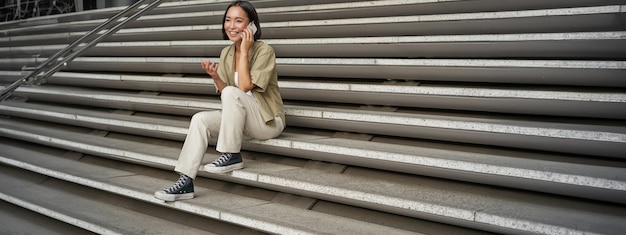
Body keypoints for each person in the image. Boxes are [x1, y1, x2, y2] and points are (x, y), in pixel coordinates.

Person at [155, 0, 285, 202]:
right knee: (200, 119)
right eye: (228, 20)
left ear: (252, 25)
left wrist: (244, 51)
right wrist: (216, 77)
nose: (231, 26)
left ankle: (232, 154)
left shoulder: (264, 51)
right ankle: (186, 181)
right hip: (242, 122)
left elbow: (242, 88)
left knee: (232, 92)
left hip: (267, 122)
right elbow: (228, 95)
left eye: (239, 21)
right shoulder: (226, 52)